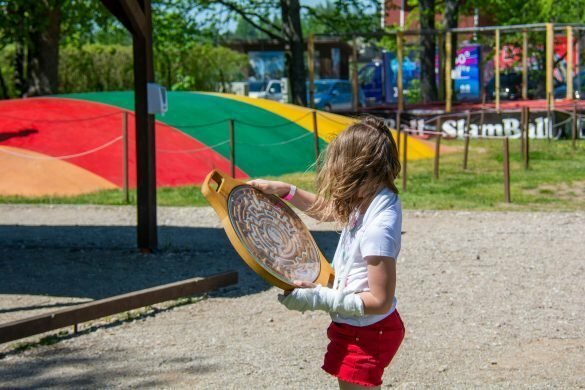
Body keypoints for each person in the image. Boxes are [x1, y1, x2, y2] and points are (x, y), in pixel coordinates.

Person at [248, 116, 405, 389]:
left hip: (369, 331)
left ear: (362, 170)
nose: (337, 179)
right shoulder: (371, 197)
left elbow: (380, 299)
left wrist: (317, 298)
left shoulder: (379, 226)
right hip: (358, 325)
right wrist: (287, 191)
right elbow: (331, 210)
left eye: (343, 172)